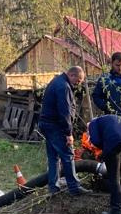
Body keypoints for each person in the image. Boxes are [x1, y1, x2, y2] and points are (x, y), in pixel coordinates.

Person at [37, 65, 90, 196]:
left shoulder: (57, 81)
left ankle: (53, 187)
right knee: (68, 155)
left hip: (46, 124)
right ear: (71, 75)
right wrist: (68, 134)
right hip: (55, 125)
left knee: (53, 157)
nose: (77, 84)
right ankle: (74, 187)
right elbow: (64, 112)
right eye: (77, 81)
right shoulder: (64, 87)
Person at [87, 114, 121, 214]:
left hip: (115, 141)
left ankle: (116, 211)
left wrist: (105, 153)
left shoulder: (92, 124)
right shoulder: (112, 117)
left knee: (113, 177)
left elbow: (95, 141)